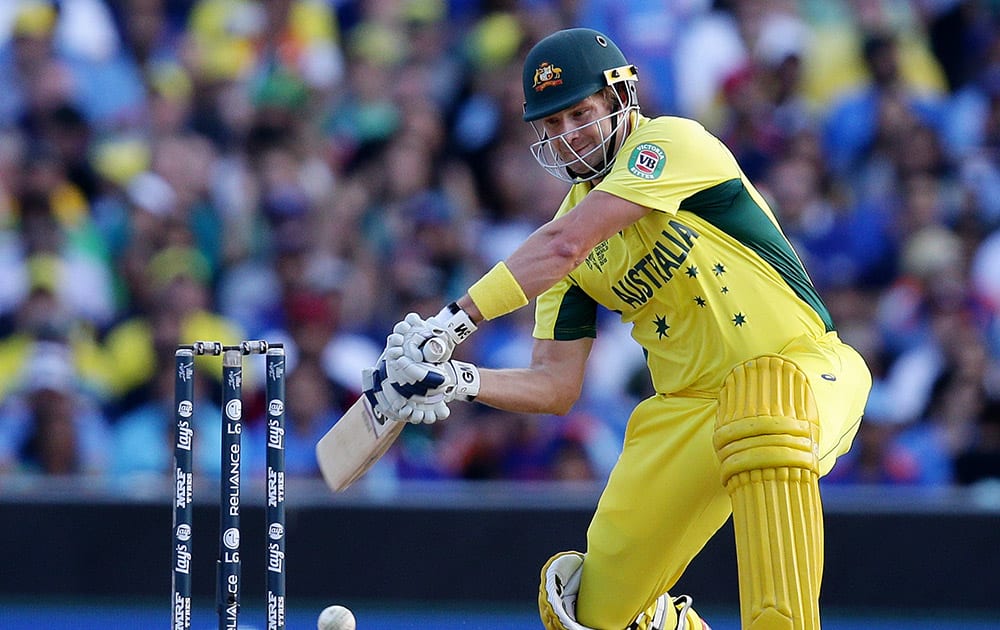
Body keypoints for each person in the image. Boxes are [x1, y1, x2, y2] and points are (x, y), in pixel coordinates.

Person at [364, 27, 872, 630]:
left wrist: (453, 322)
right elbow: (554, 385)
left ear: (619, 96)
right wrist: (455, 379)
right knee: (589, 614)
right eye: (551, 126)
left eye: (579, 114)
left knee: (764, 404)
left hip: (804, 366)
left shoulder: (671, 145)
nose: (568, 138)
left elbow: (566, 245)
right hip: (684, 412)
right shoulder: (558, 248)